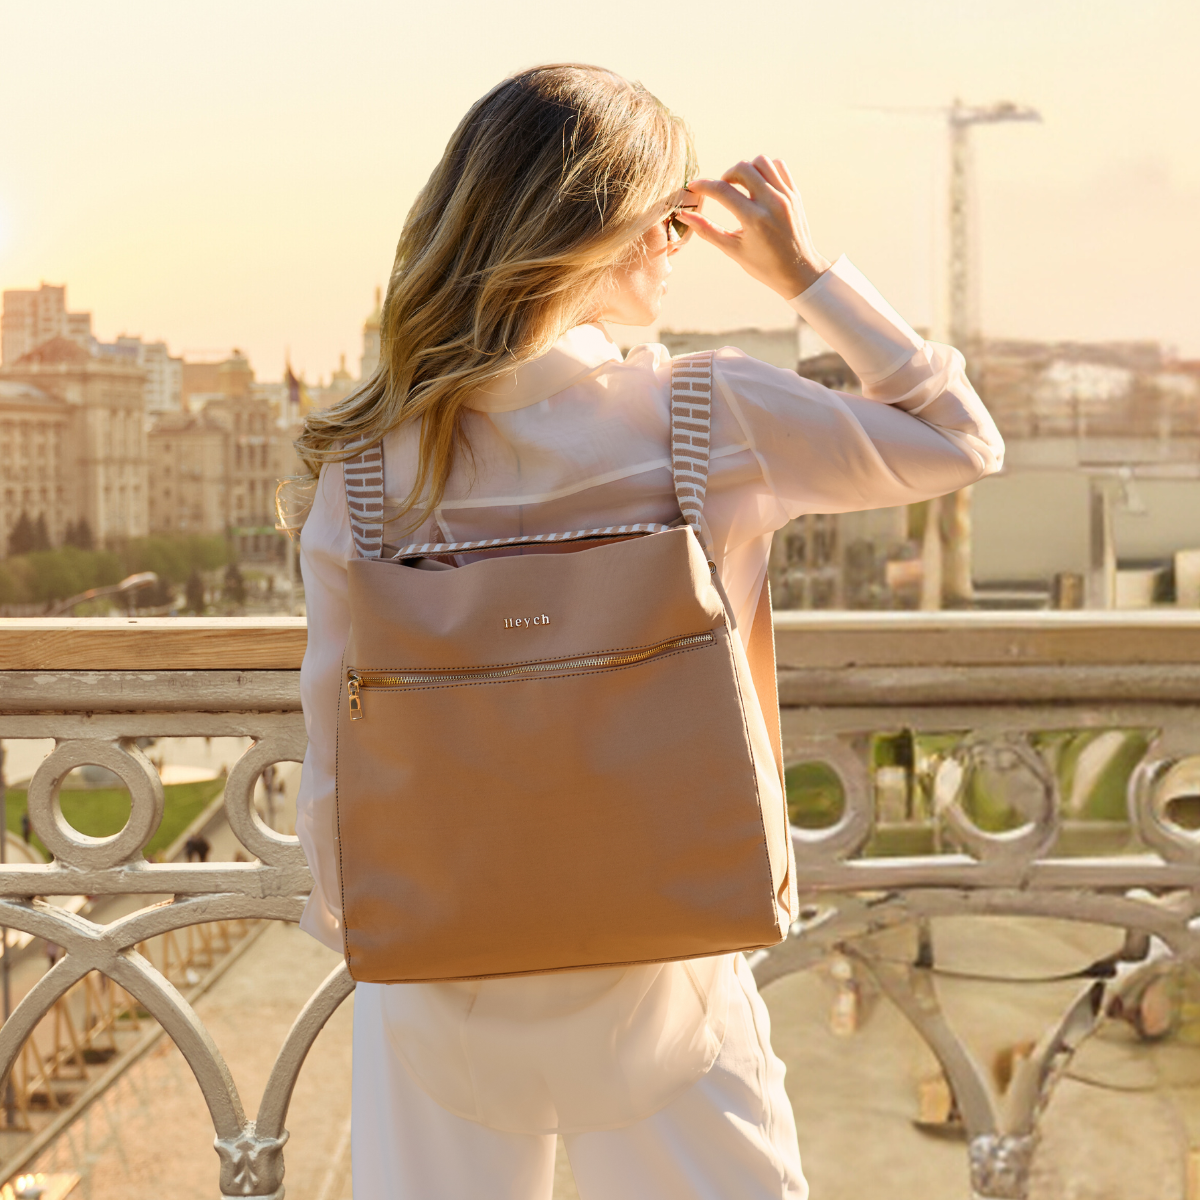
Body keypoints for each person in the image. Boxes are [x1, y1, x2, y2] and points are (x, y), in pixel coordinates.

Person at [286, 63, 1003, 1200]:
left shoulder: (369, 467)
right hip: (669, 945)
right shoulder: (706, 416)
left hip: (439, 964)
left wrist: (387, 936)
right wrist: (804, 274)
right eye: (673, 218)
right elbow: (960, 441)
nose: (682, 246)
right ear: (604, 229)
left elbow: (334, 753)